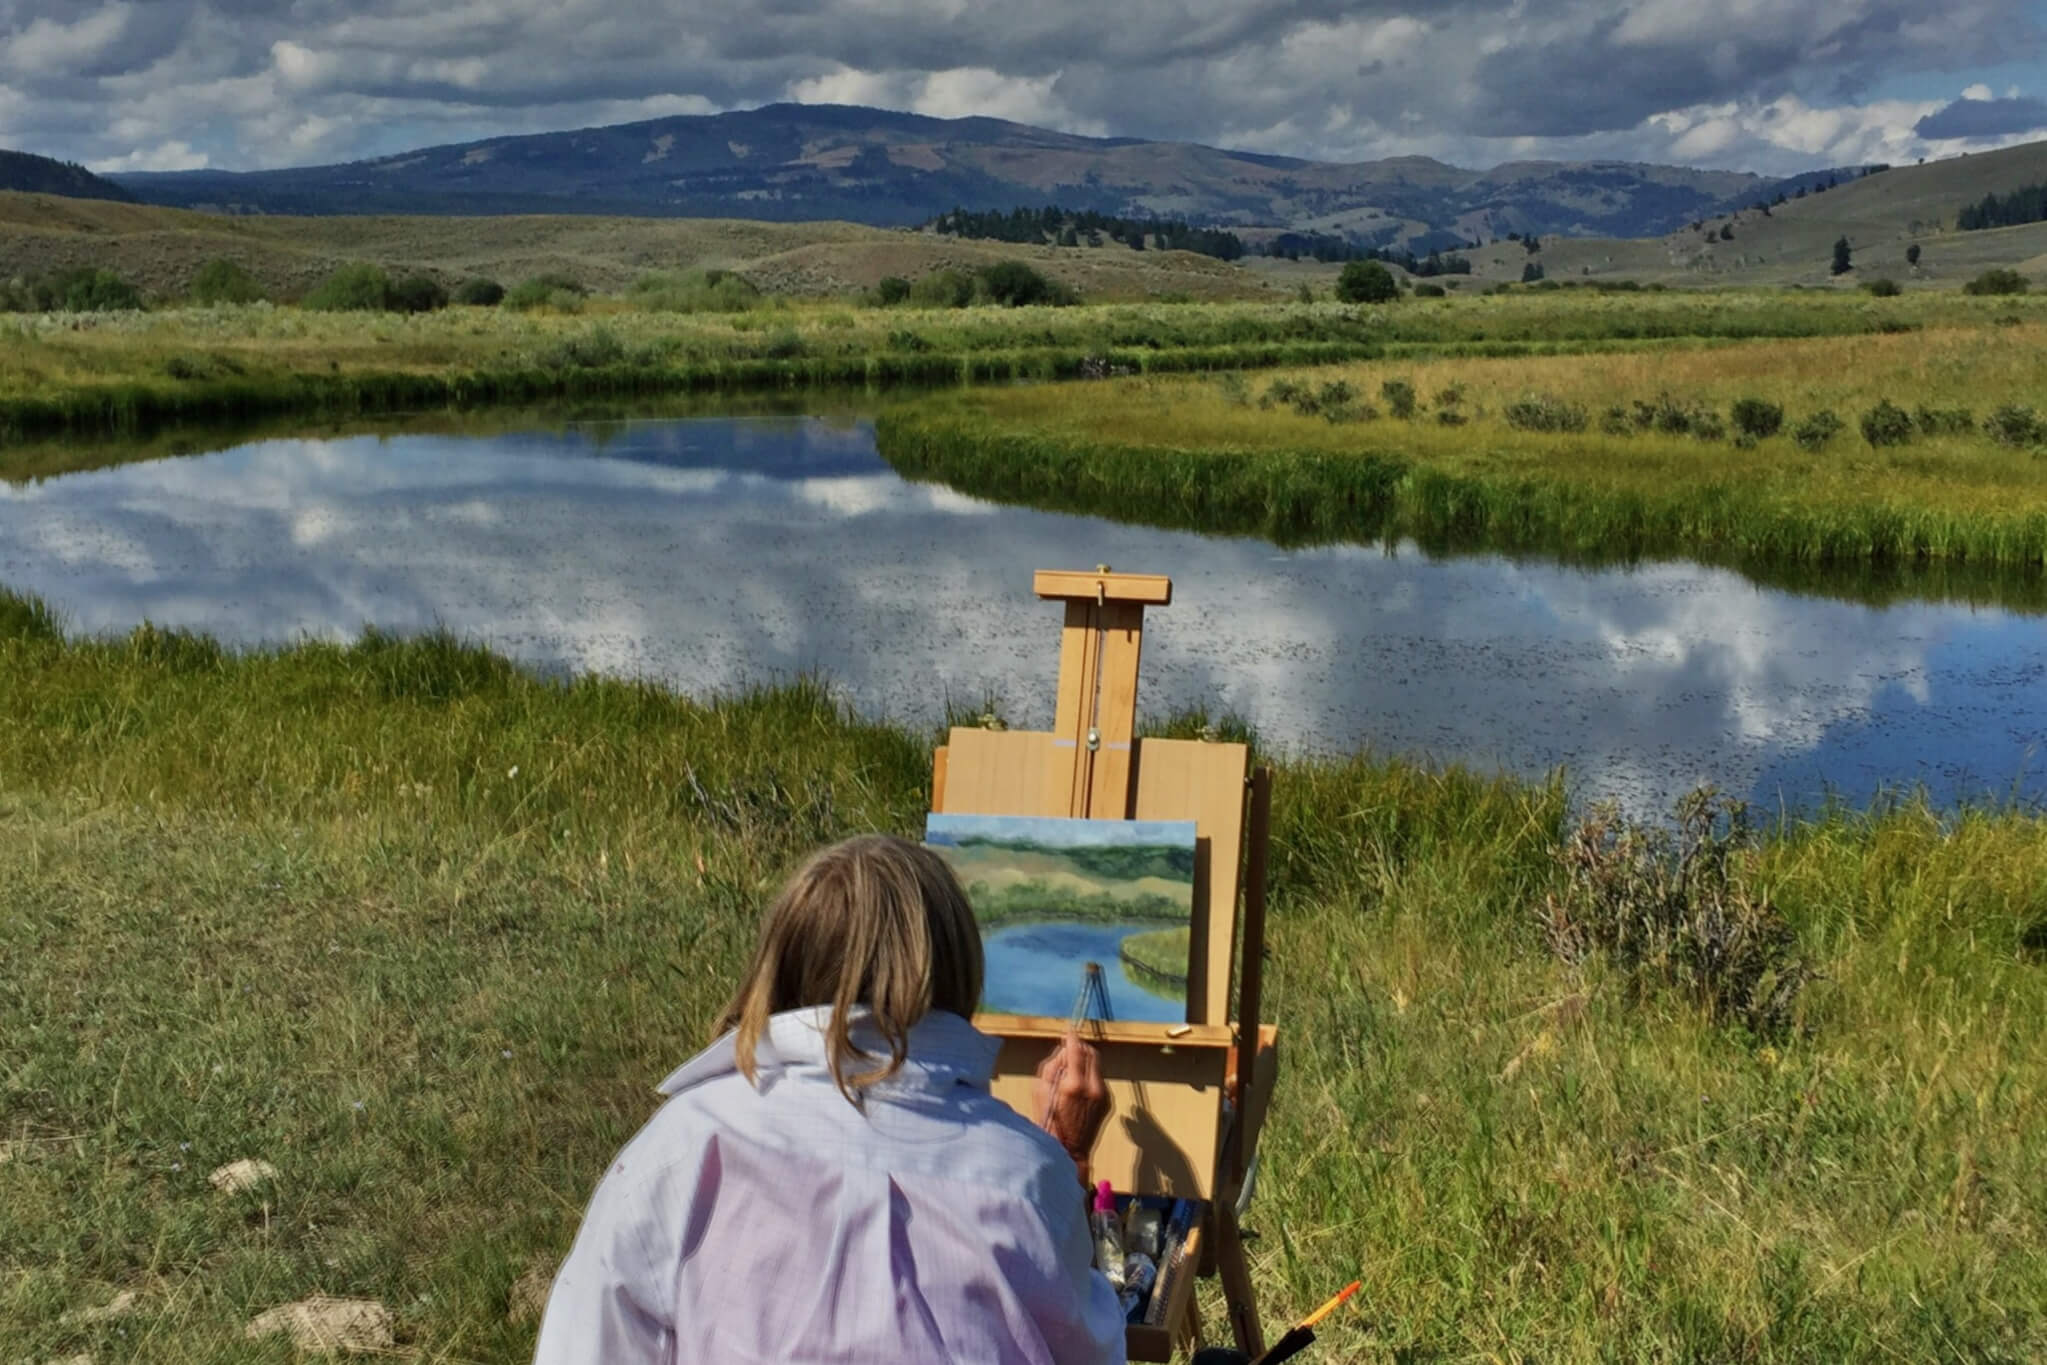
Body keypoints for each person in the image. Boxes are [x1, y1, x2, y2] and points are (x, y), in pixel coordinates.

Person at [533, 834, 1128, 1364]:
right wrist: (1064, 1155)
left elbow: (587, 1343)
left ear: (783, 964)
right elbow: (1091, 1347)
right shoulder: (1026, 1172)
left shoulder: (687, 1143)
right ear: (957, 971)